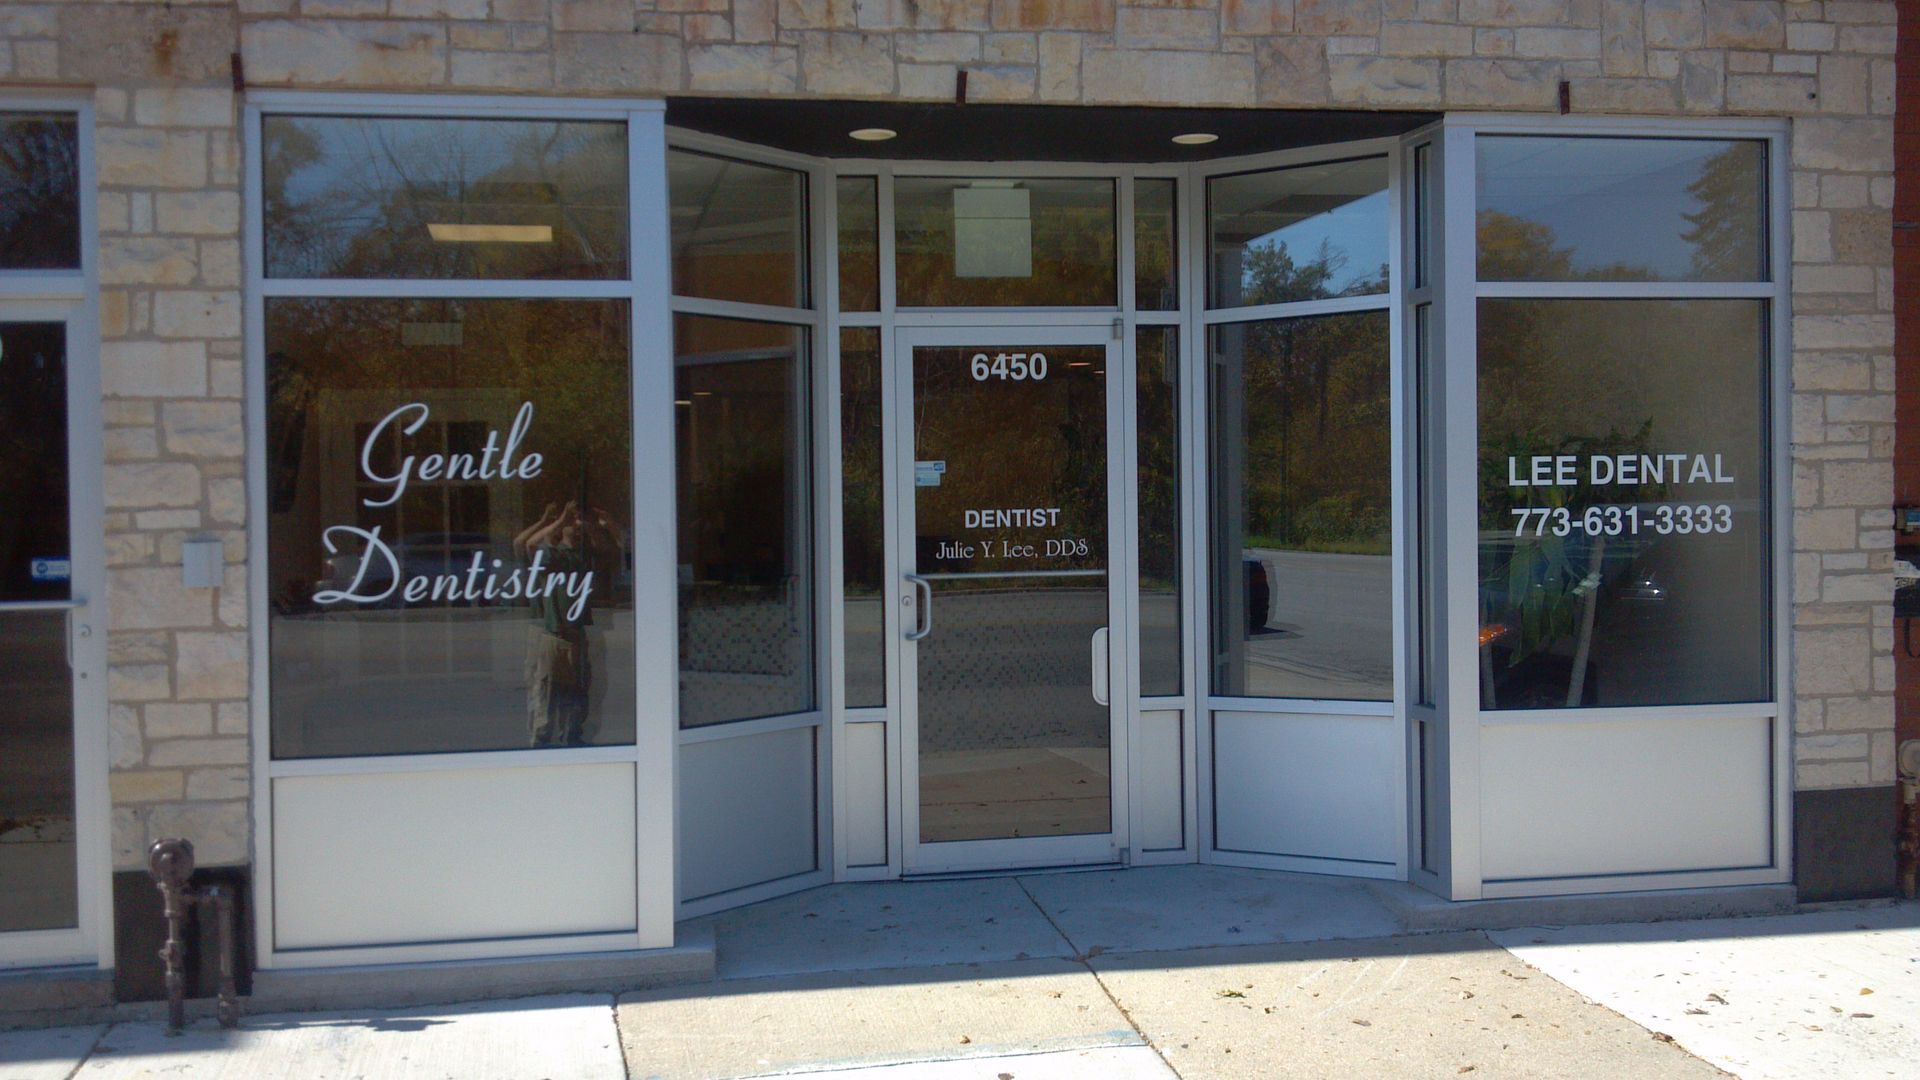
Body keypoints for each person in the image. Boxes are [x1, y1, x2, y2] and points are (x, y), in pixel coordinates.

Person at [513, 500, 620, 747]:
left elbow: (611, 549)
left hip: (579, 633)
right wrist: (559, 519)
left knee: (580, 690)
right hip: (554, 633)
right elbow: (527, 544)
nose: (577, 526)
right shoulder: (554, 555)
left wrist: (593, 523)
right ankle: (542, 739)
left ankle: (574, 736)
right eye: (573, 523)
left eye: (578, 521)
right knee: (547, 691)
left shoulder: (586, 555)